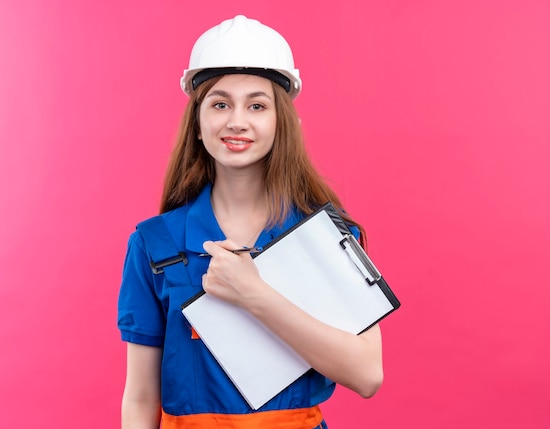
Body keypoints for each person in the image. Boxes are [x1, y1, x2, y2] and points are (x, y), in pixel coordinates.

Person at [118, 15, 383, 429]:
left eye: (257, 105)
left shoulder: (327, 239)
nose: (237, 121)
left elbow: (367, 374)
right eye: (220, 103)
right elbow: (139, 398)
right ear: (198, 125)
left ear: (282, 124)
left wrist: (252, 295)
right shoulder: (154, 244)